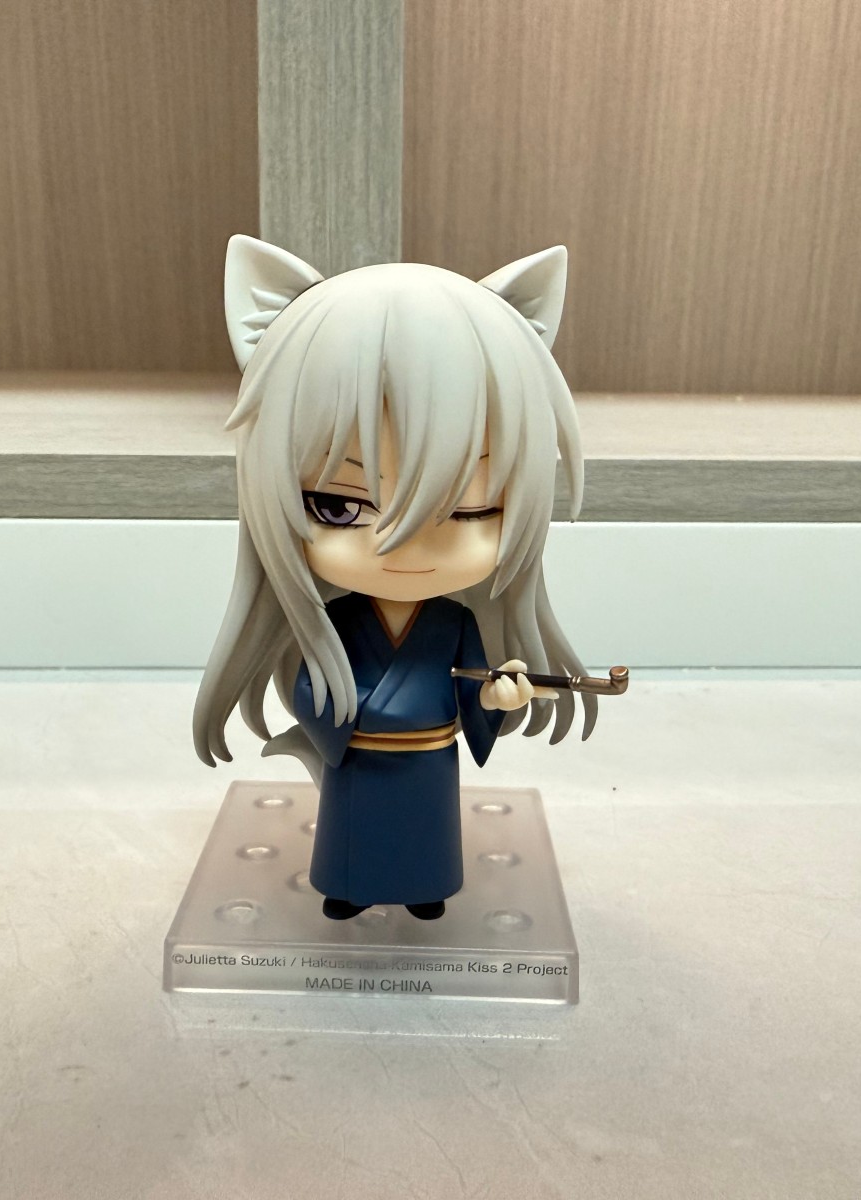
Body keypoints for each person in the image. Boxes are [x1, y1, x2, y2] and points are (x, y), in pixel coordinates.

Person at [192, 235, 595, 919]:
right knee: (352, 841)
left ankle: (424, 889)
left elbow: (477, 694)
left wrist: (496, 697)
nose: (401, 545)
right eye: (339, 506)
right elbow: (308, 689)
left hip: (430, 763)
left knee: (425, 840)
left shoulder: (455, 625)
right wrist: (340, 708)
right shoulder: (340, 626)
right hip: (359, 763)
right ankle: (348, 887)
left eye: (471, 509)